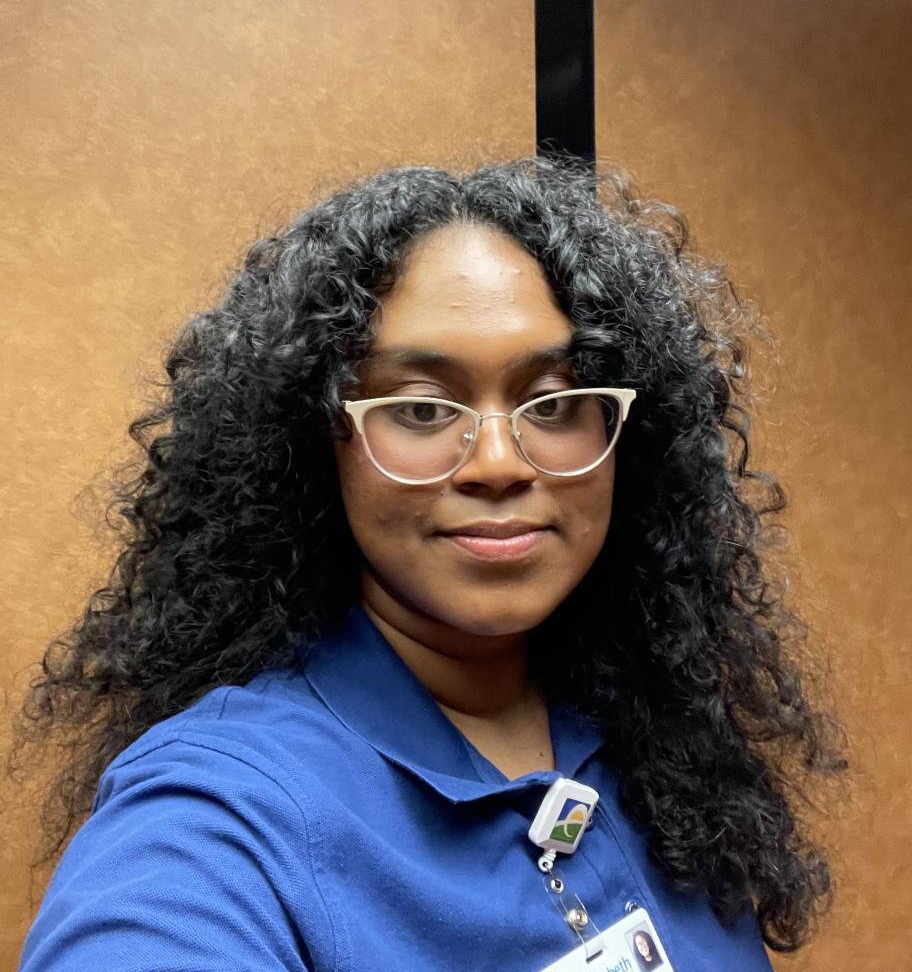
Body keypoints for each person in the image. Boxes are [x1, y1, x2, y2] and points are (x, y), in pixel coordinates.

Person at [9, 157, 845, 971]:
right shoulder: (222, 812)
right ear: (321, 443)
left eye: (553, 402)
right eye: (419, 408)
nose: (497, 464)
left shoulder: (655, 734)